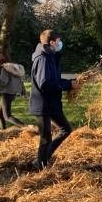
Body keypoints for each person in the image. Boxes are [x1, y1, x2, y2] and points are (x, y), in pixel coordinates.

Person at [29, 30, 79, 169]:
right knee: (46, 137)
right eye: (58, 41)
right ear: (52, 42)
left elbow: (53, 79)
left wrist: (70, 83)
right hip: (43, 104)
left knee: (65, 129)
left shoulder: (50, 56)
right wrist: (68, 85)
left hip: (52, 103)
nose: (60, 43)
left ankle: (42, 160)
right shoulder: (43, 58)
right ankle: (41, 165)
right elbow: (45, 83)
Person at [0, 53, 27, 130]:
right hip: (12, 93)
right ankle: (4, 131)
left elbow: (3, 82)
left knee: (7, 116)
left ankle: (26, 127)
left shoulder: (4, 68)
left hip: (7, 93)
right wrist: (24, 92)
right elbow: (21, 81)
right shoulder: (14, 67)